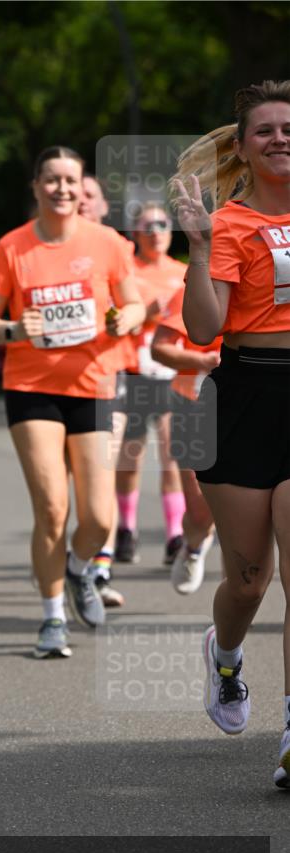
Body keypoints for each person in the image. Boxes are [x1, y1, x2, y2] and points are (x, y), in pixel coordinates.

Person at [0, 147, 144, 658]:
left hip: (91, 383)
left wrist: (126, 320)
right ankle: (51, 618)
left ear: (81, 186)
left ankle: (77, 570)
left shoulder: (108, 243)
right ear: (36, 187)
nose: (62, 189)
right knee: (52, 507)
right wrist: (9, 328)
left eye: (70, 180)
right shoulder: (12, 247)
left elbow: (133, 302)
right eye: (52, 180)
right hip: (32, 387)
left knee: (98, 518)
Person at [172, 79, 290, 789]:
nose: (280, 137)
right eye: (265, 130)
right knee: (248, 577)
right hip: (242, 396)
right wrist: (196, 244)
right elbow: (204, 328)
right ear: (241, 147)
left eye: (289, 127)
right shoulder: (231, 224)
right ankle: (224, 657)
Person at [75, 174, 136, 607]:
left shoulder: (117, 248)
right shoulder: (43, 248)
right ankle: (74, 559)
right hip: (51, 385)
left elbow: (136, 306)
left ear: (102, 207)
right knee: (62, 487)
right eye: (73, 194)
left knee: (103, 471)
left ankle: (100, 566)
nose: (78, 200)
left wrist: (126, 318)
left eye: (88, 195)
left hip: (104, 377)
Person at [115, 203, 187, 566]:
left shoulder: (183, 272)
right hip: (135, 371)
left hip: (174, 373)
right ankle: (126, 529)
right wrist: (148, 312)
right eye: (148, 226)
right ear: (135, 233)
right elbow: (115, 320)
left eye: (162, 224)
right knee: (131, 456)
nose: (156, 231)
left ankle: (175, 535)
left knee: (174, 454)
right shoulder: (126, 271)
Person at [151, 286, 220, 594]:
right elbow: (160, 348)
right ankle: (193, 546)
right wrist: (201, 360)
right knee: (201, 509)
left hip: (253, 405)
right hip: (193, 403)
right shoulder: (193, 290)